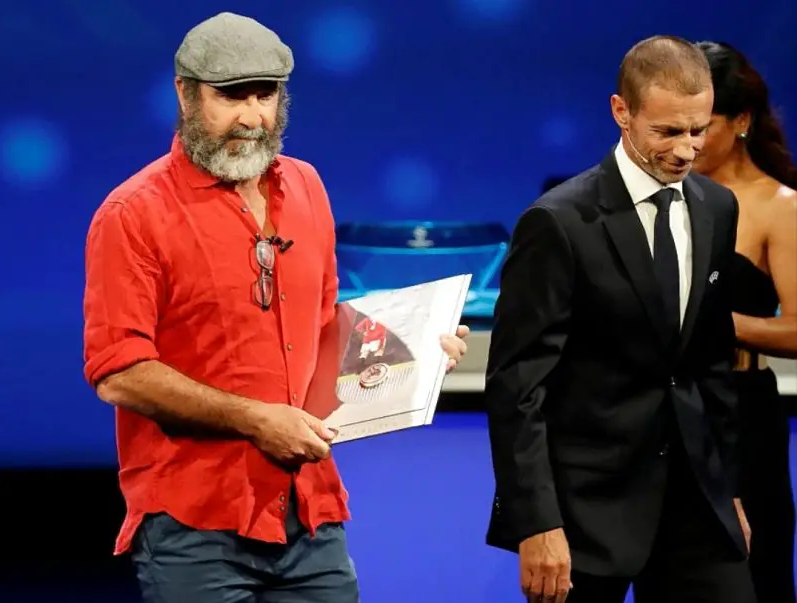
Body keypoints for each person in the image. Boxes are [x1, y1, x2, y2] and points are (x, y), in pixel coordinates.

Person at [82, 12, 469, 603]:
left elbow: (323, 327)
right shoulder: (132, 214)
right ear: (185, 94)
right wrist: (256, 419)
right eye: (230, 96)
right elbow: (119, 372)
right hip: (194, 524)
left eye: (264, 96)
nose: (250, 117)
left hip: (310, 514)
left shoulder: (307, 186)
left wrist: (413, 347)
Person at [484, 35, 757, 602]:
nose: (686, 150)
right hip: (586, 512)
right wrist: (536, 522)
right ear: (621, 112)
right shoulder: (558, 222)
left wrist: (726, 489)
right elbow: (518, 386)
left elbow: (711, 363)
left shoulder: (716, 208)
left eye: (698, 130)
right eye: (667, 131)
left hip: (695, 506)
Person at [693, 40, 797, 603]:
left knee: (750, 578)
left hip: (740, 411)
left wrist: (711, 321)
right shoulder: (661, 197)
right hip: (661, 409)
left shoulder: (780, 206)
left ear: (741, 121)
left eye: (701, 125)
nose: (687, 140)